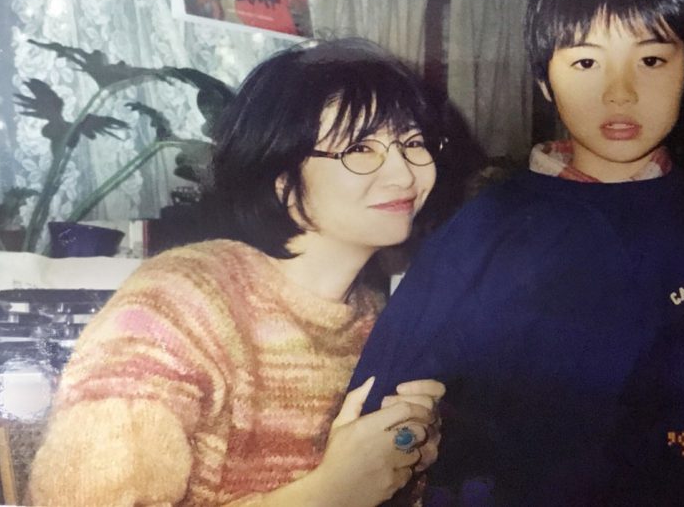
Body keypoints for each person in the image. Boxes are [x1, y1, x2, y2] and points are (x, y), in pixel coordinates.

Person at [350, 0, 684, 504]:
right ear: (544, 82)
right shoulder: (488, 225)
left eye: (651, 59)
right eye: (585, 63)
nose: (620, 93)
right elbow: (380, 402)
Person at [29, 39, 447, 506]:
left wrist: (403, 464)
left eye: (412, 143)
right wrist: (331, 492)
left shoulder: (374, 317)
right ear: (282, 176)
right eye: (361, 147)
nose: (405, 174)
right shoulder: (177, 305)